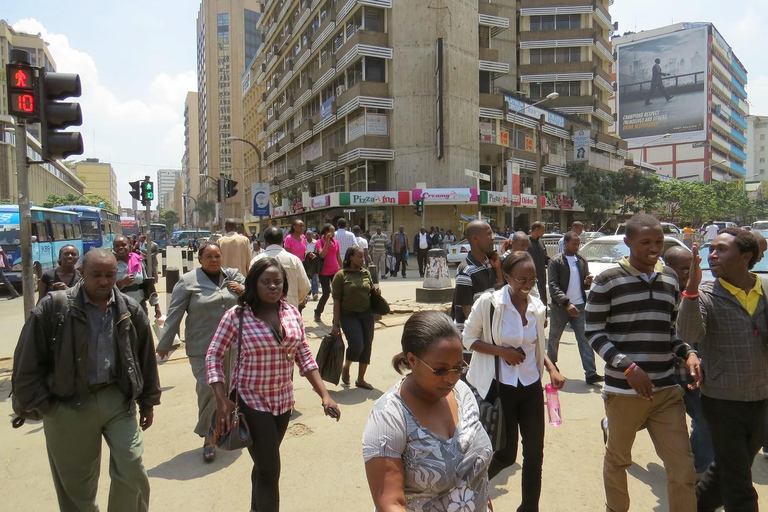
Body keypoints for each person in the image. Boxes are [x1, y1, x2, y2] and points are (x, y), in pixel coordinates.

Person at [12, 249, 160, 511]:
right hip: (67, 403)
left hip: (117, 400)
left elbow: (145, 358)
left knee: (132, 466)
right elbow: (27, 361)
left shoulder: (129, 309)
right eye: (96, 275)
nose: (103, 281)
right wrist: (45, 405)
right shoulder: (54, 307)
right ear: (81, 273)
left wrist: (148, 400)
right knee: (76, 486)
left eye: (110, 275)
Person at [585, 213, 700, 512]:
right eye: (645, 242)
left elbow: (669, 332)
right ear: (628, 243)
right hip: (624, 393)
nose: (653, 248)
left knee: (683, 470)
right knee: (618, 461)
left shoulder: (671, 279)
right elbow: (593, 332)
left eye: (658, 241)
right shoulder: (607, 280)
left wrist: (688, 352)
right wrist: (627, 366)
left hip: (666, 392)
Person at [206, 257, 340, 512]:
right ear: (254, 284)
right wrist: (221, 398)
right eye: (265, 282)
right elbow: (214, 354)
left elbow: (304, 355)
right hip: (250, 399)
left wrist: (324, 395)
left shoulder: (290, 313)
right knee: (270, 468)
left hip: (283, 402)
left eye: (277, 282)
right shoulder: (237, 316)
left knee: (263, 465)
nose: (272, 287)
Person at [463, 251, 565, 510]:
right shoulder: (489, 303)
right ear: (507, 276)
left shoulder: (537, 307)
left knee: (534, 455)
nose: (528, 286)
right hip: (500, 388)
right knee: (506, 455)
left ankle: (529, 507)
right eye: (521, 280)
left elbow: (535, 346)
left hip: (530, 387)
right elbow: (467, 339)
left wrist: (552, 368)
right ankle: (468, 487)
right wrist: (503, 352)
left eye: (532, 280)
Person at [363, 311, 492, 511]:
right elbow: (390, 503)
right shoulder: (389, 417)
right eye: (439, 370)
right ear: (412, 360)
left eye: (458, 368)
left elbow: (478, 479)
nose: (450, 379)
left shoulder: (463, 393)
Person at [679, 229, 768, 511]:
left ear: (745, 257)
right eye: (711, 249)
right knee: (739, 479)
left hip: (762, 397)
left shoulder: (764, 289)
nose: (712, 255)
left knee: (731, 465)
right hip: (722, 400)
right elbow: (688, 331)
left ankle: (698, 506)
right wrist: (691, 291)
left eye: (721, 249)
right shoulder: (705, 294)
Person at [156, 242, 245, 462]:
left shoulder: (233, 276)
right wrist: (165, 343)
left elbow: (254, 299)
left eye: (217, 256)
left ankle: (226, 429)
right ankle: (208, 437)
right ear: (200, 259)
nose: (214, 260)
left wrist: (244, 291)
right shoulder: (188, 282)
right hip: (202, 347)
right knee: (209, 391)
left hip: (233, 345)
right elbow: (175, 313)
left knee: (229, 389)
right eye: (209, 256)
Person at [663, 245, 714, 476]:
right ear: (669, 268)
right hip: (662, 372)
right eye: (684, 269)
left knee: (703, 419)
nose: (689, 273)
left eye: (692, 268)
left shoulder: (700, 294)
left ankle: (696, 471)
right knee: (640, 419)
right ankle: (611, 425)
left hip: (691, 373)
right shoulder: (661, 291)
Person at [547, 231, 602, 385]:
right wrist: (566, 303)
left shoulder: (581, 260)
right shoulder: (556, 261)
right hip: (561, 307)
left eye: (578, 244)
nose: (577, 247)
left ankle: (591, 373)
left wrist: (587, 281)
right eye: (574, 244)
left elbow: (583, 283)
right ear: (565, 243)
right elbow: (553, 285)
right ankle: (552, 367)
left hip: (579, 307)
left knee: (585, 340)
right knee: (554, 339)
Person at [332, 246, 379, 390]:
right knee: (357, 345)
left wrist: (375, 291)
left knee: (367, 345)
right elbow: (336, 301)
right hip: (348, 315)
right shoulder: (341, 275)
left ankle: (361, 379)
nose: (362, 259)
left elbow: (370, 290)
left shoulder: (365, 273)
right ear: (351, 258)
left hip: (366, 314)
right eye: (359, 257)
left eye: (363, 257)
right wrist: (335, 324)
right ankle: (347, 366)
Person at [452, 220, 503, 328]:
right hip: (475, 336)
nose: (493, 237)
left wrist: (498, 270)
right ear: (475, 238)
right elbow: (468, 312)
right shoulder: (465, 271)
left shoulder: (490, 263)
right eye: (489, 234)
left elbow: (500, 295)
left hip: (490, 331)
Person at [252, 227, 311, 309]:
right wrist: (294, 299)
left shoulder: (256, 260)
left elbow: (251, 287)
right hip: (289, 309)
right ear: (282, 241)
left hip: (263, 310)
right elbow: (305, 287)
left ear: (265, 242)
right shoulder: (294, 260)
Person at [113, 235, 162, 319]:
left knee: (143, 330)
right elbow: (106, 288)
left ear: (130, 246)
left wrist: (156, 305)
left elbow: (148, 284)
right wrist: (121, 282)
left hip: (140, 305)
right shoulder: (111, 264)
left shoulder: (138, 261)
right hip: (121, 307)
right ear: (113, 249)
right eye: (117, 246)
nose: (120, 247)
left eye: (123, 245)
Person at [314, 223, 343, 323]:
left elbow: (338, 257)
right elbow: (322, 255)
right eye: (331, 231)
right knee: (326, 293)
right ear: (326, 232)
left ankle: (337, 316)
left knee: (338, 293)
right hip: (324, 272)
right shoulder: (319, 242)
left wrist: (342, 268)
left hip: (335, 270)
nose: (333, 233)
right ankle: (317, 312)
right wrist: (326, 242)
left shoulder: (336, 242)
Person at [527, 221, 549, 305]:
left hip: (542, 276)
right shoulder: (526, 243)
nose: (544, 232)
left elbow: (545, 257)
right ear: (536, 230)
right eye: (543, 230)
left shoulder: (541, 242)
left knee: (542, 297)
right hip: (531, 277)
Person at [304, 231, 319, 300]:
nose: (308, 235)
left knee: (314, 278)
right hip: (306, 261)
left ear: (313, 235)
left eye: (310, 234)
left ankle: (315, 293)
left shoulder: (316, 242)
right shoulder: (303, 242)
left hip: (314, 262)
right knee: (306, 278)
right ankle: (307, 294)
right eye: (307, 234)